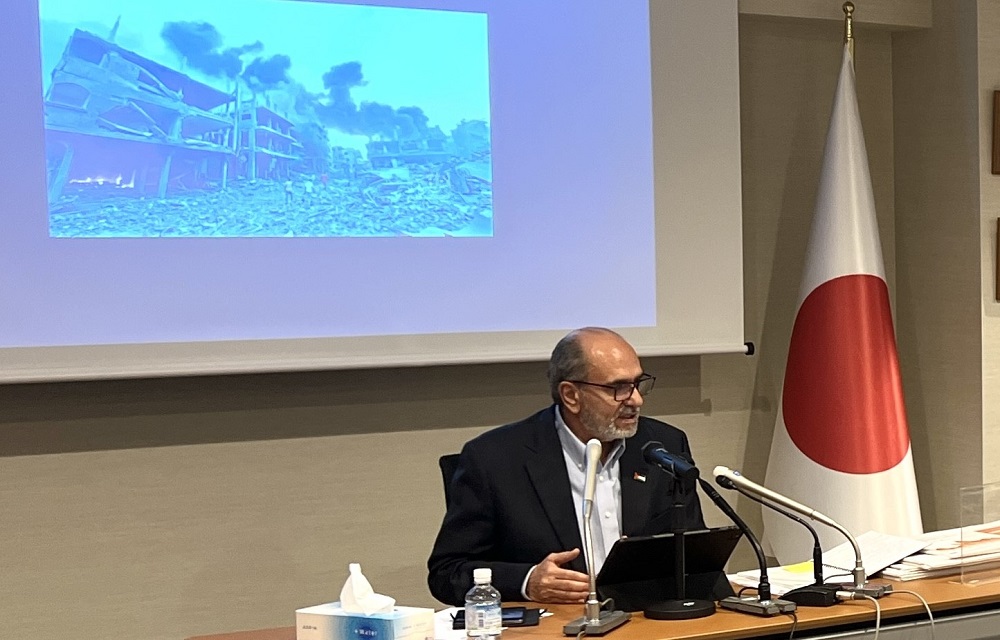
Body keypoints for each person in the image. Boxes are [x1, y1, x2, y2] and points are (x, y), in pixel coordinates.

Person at [427, 327, 705, 606]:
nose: (636, 400)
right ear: (571, 395)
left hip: (649, 622)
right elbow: (447, 572)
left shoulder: (663, 445)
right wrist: (527, 581)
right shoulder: (494, 459)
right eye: (618, 388)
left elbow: (695, 554)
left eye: (637, 383)